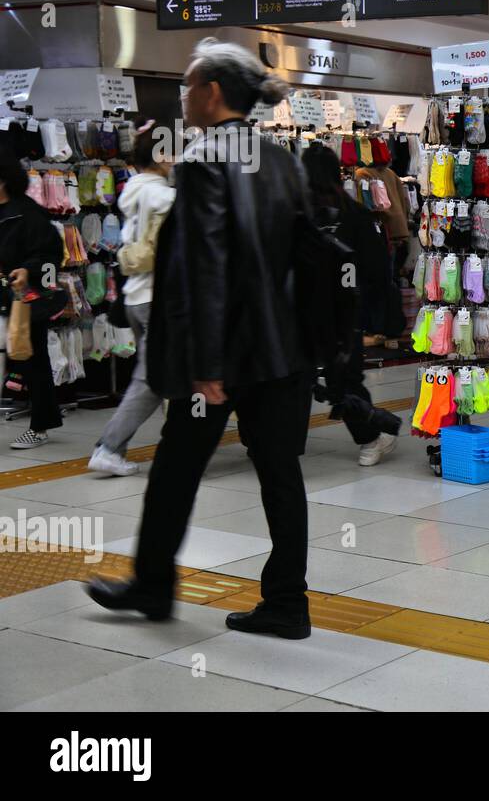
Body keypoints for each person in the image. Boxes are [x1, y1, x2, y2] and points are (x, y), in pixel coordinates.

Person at [88, 38, 316, 639]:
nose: (184, 97)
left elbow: (207, 268)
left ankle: (153, 587)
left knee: (176, 467)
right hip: (281, 349)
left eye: (188, 86)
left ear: (212, 93)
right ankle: (288, 602)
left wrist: (208, 366)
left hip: (223, 356)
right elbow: (301, 255)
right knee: (279, 472)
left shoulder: (203, 159)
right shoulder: (282, 158)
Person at [301, 142, 401, 465]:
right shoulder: (307, 215)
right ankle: (284, 441)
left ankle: (373, 434)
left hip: (342, 314)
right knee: (314, 378)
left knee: (341, 379)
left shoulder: (353, 217)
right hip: (312, 311)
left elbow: (373, 271)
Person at [87, 121, 175, 476]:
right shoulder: (161, 194)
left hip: (137, 295)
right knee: (152, 379)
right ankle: (109, 447)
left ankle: (177, 440)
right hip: (159, 297)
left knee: (162, 374)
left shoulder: (133, 190)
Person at [0, 148, 65, 449]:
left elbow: (52, 257)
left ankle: (40, 426)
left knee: (31, 360)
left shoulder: (28, 213)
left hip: (21, 300)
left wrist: (27, 270)